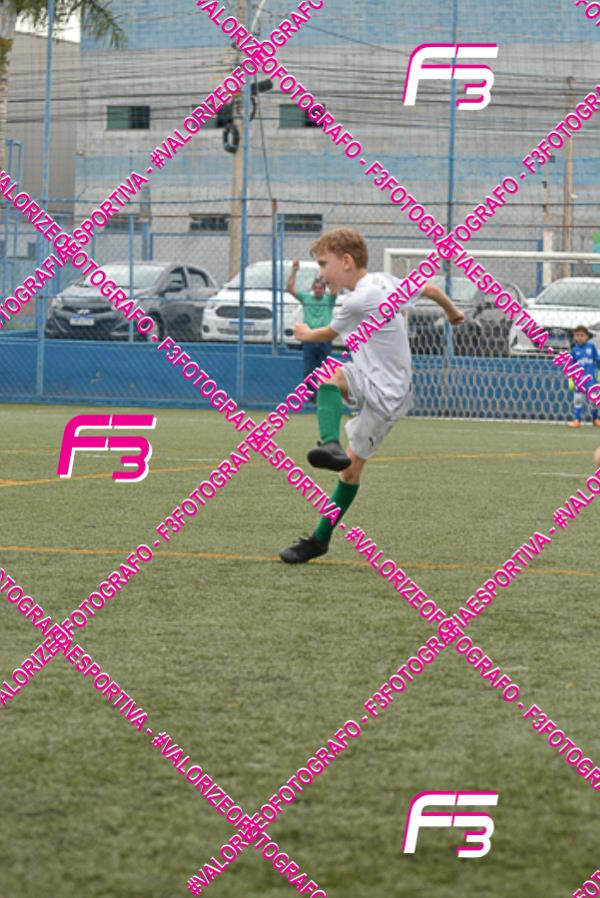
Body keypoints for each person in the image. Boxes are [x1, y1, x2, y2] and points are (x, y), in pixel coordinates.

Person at [279, 227, 464, 564]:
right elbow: (432, 288)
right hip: (367, 374)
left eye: (324, 264)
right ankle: (329, 448)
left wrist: (304, 333)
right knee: (329, 377)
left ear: (346, 262)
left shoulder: (358, 300)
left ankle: (320, 535)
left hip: (388, 396)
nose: (321, 274)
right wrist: (453, 313)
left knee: (350, 473)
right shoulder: (384, 282)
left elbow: (326, 334)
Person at [287, 261, 337, 398]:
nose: (318, 290)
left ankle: (325, 395)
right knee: (309, 370)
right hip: (309, 338)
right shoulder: (306, 298)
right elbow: (290, 288)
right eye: (316, 288)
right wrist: (294, 271)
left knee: (325, 370)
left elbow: (334, 290)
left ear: (324, 289)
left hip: (324, 338)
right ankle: (311, 397)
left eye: (321, 288)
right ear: (313, 289)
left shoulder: (329, 300)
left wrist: (328, 274)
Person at [567, 325, 600, 428]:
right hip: (579, 380)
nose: (580, 337)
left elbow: (598, 359)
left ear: (586, 336)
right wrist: (570, 379)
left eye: (582, 335)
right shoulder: (574, 350)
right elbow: (571, 365)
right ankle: (577, 420)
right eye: (577, 335)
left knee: (593, 400)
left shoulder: (591, 347)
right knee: (577, 399)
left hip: (591, 379)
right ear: (574, 337)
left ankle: (595, 419)